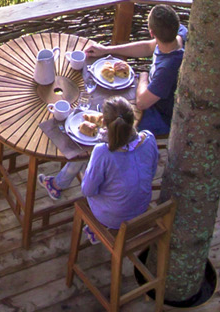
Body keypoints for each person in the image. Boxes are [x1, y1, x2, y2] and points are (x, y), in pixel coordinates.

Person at [39, 97, 156, 241]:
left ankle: (58, 186)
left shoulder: (103, 152)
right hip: (141, 208)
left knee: (84, 160)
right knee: (98, 168)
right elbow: (152, 172)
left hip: (112, 217)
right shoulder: (149, 138)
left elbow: (87, 191)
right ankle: (58, 183)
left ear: (104, 123)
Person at [84, 4, 186, 138]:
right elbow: (148, 47)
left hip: (160, 115)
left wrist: (143, 76)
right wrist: (107, 50)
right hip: (148, 94)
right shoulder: (177, 35)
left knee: (111, 124)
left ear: (151, 32)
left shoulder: (168, 68)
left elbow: (142, 103)